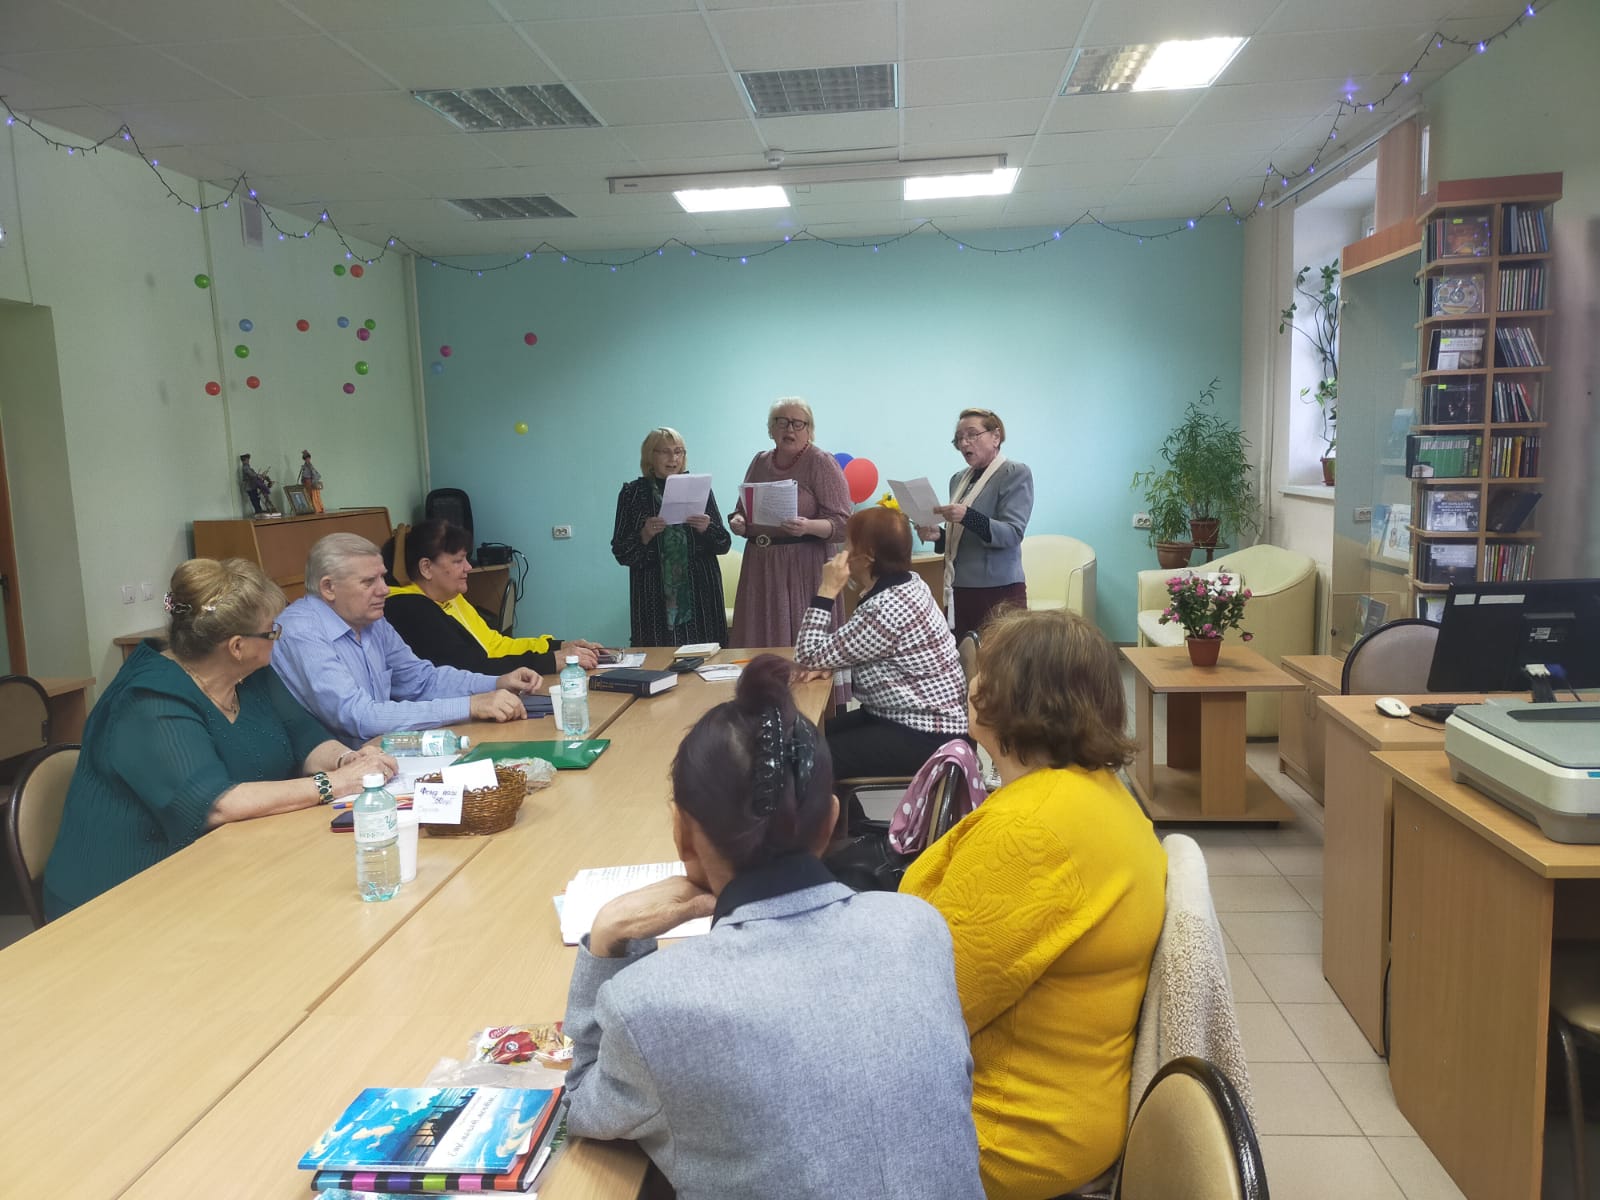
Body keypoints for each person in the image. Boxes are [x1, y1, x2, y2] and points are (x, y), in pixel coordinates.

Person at [562, 655, 984, 1200]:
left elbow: (583, 1108)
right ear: (830, 821)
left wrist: (607, 936)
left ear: (682, 835)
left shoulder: (653, 1003)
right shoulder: (917, 927)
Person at [900, 608, 1166, 1199]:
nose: (971, 682)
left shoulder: (1031, 834)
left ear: (1019, 698)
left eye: (984, 671)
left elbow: (922, 1009)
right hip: (1060, 1118)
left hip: (999, 1139)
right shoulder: (1093, 794)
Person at [42, 559, 396, 918]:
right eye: (271, 631)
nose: (278, 636)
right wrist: (335, 783)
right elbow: (216, 804)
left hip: (231, 862)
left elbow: (304, 735)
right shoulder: (148, 700)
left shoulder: (250, 672)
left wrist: (348, 760)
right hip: (124, 894)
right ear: (237, 646)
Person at [272, 533, 538, 745]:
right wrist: (470, 706)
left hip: (381, 756)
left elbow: (422, 680)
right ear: (328, 588)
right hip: (337, 774)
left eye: (382, 577)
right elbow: (359, 716)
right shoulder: (301, 632)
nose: (384, 590)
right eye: (369, 582)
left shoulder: (371, 620)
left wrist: (496, 682)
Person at [794, 506, 967, 783]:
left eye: (848, 544)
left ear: (868, 556)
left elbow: (807, 656)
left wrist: (827, 590)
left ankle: (833, 809)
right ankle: (843, 808)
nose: (841, 550)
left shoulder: (885, 609)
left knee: (806, 758)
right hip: (905, 716)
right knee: (802, 737)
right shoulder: (911, 583)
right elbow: (860, 649)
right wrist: (832, 660)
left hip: (925, 733)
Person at [384, 519, 601, 674]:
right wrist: (550, 661)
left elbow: (493, 645)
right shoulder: (409, 608)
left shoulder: (450, 598)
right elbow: (472, 667)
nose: (468, 567)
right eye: (458, 561)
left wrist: (557, 647)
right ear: (426, 567)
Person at [728, 398, 851, 646]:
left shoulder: (821, 461)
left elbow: (842, 524)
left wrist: (808, 526)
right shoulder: (760, 461)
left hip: (803, 567)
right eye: (782, 422)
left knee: (799, 641)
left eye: (797, 423)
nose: (789, 429)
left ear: (809, 429)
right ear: (771, 428)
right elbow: (742, 508)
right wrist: (738, 521)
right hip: (759, 566)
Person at [916, 408, 1033, 639]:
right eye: (958, 438)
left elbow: (1012, 533)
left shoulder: (1014, 473)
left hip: (998, 591)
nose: (964, 443)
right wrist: (939, 536)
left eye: (972, 435)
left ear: (996, 436)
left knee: (1000, 658)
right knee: (960, 655)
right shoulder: (958, 479)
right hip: (957, 588)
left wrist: (967, 516)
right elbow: (962, 536)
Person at [610, 427, 731, 647]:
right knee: (657, 659)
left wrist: (708, 528)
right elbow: (621, 551)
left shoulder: (699, 488)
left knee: (706, 655)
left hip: (701, 593)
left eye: (678, 451)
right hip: (653, 595)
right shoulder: (632, 493)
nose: (673, 458)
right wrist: (645, 534)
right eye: (665, 452)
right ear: (650, 455)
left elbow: (723, 544)